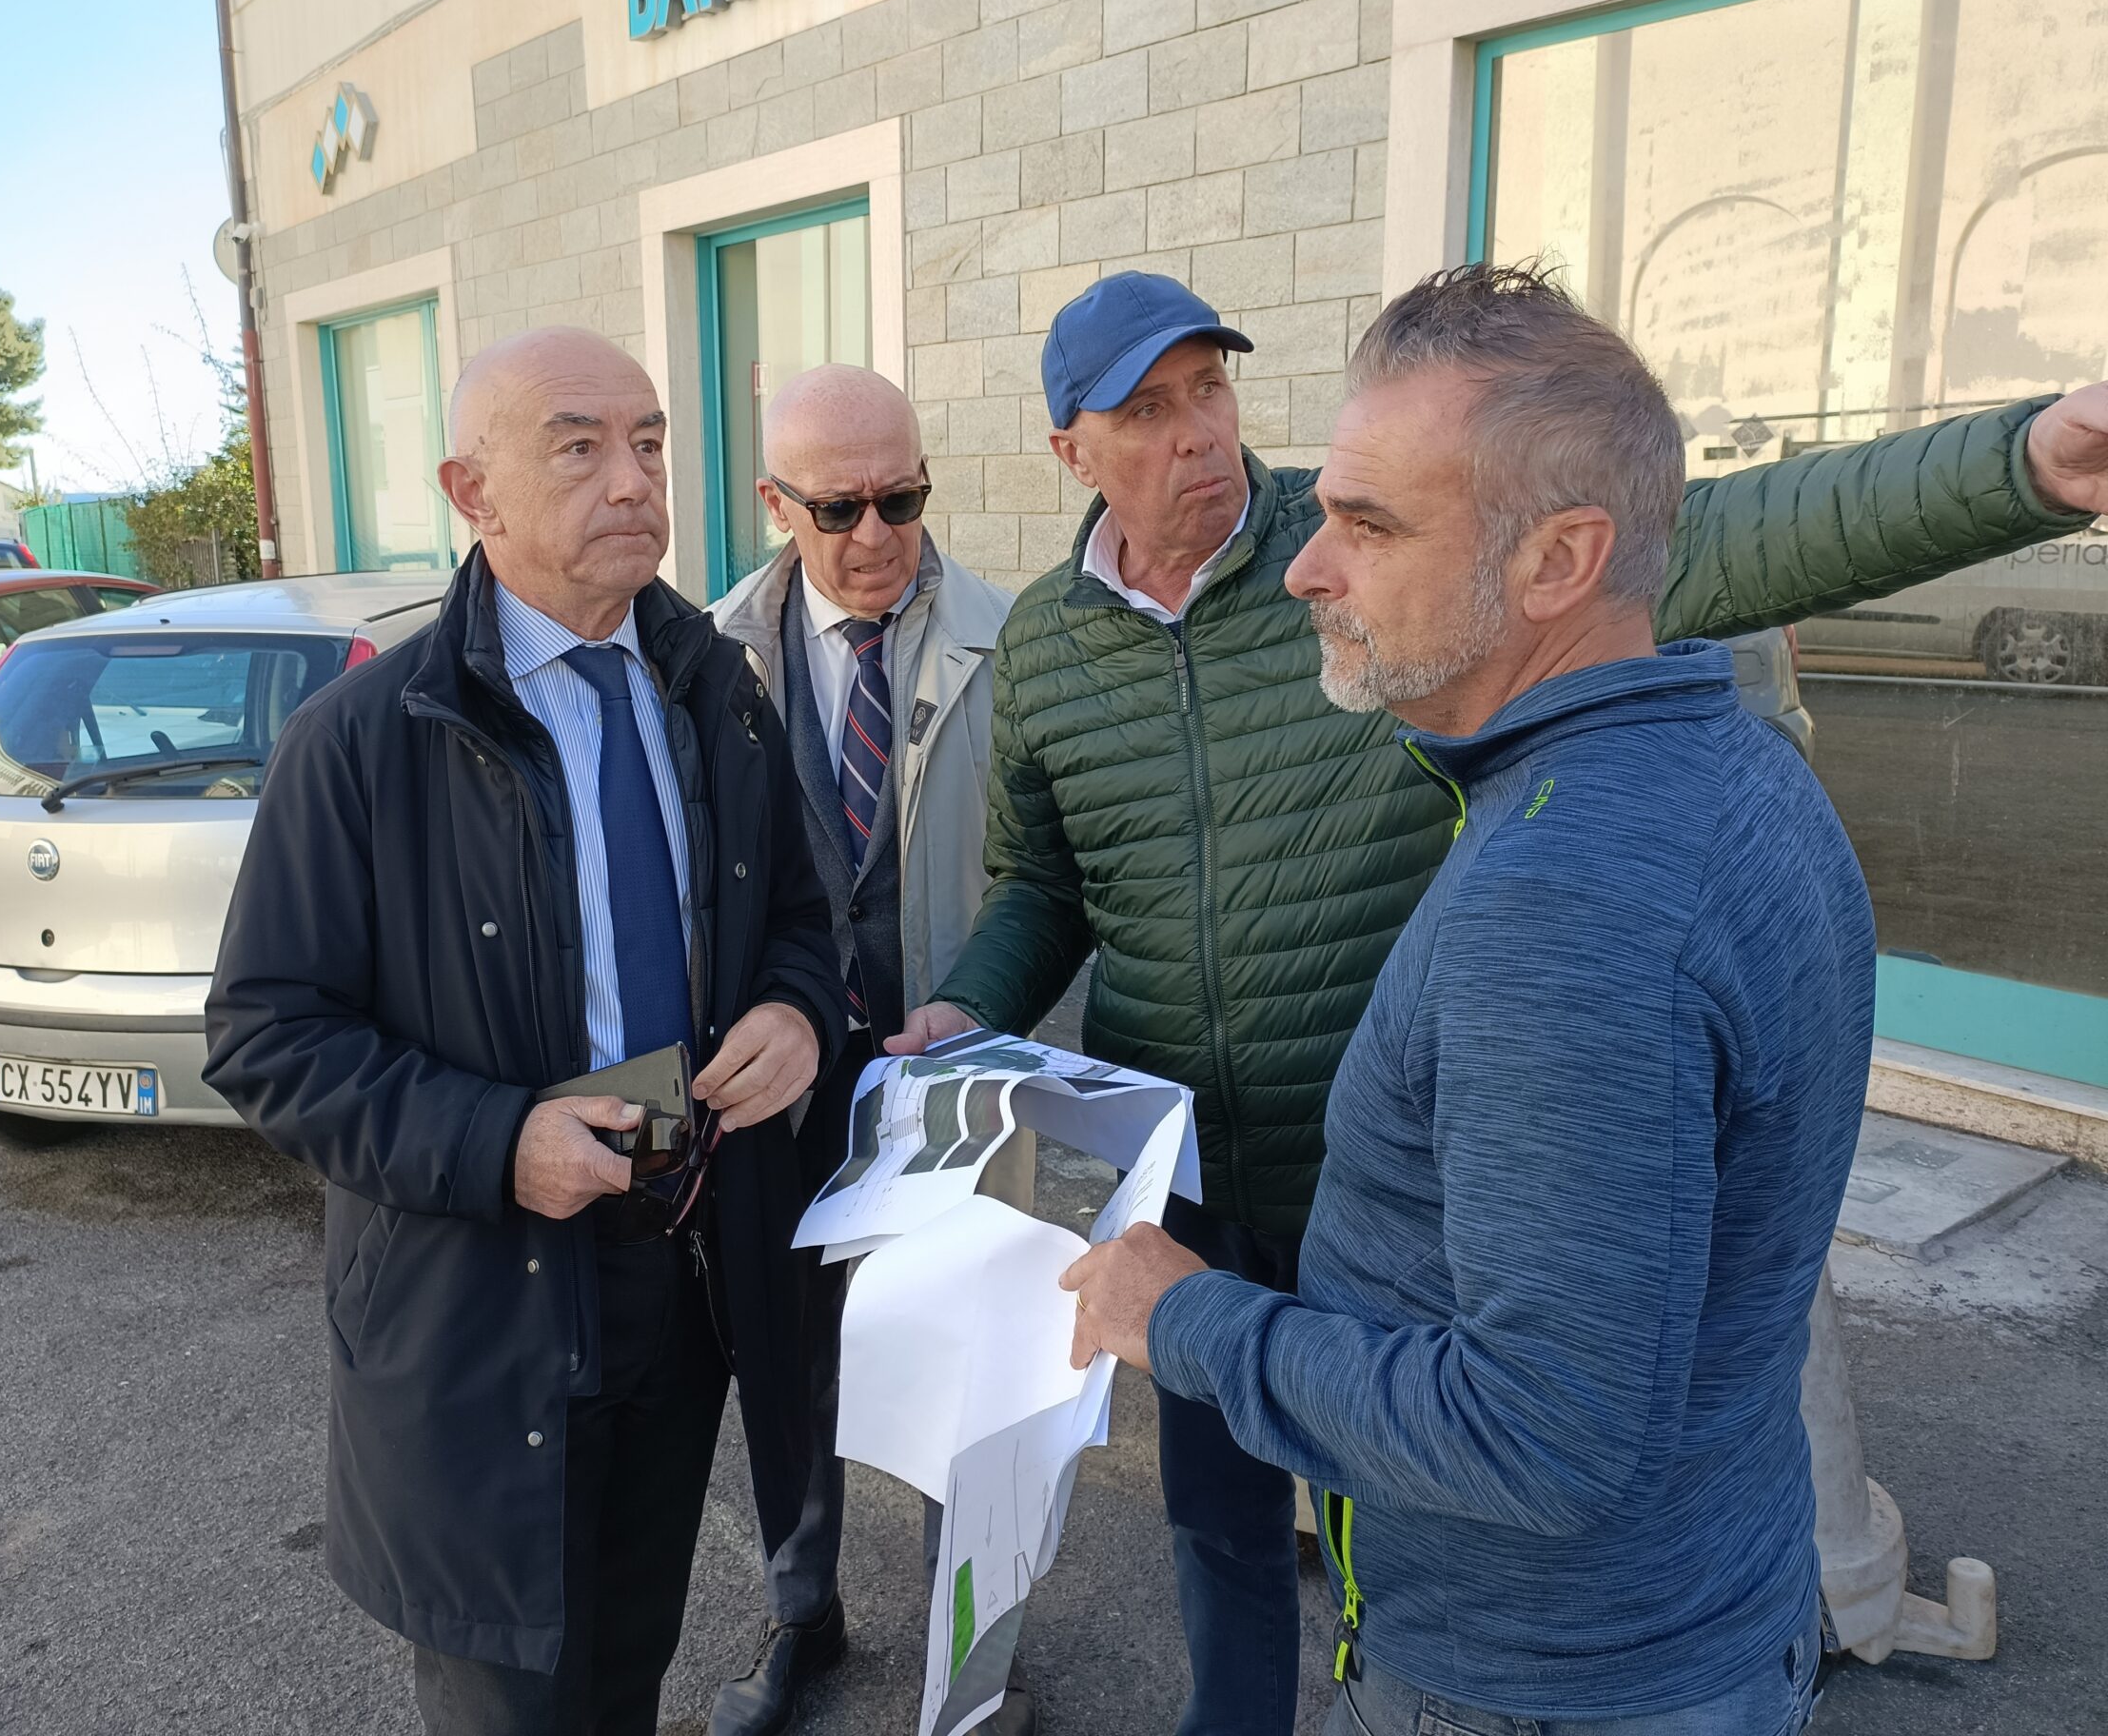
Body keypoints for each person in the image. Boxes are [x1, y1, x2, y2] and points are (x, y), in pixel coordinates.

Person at [887, 267, 2108, 1734]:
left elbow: (1726, 526)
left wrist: (2024, 464)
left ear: (1560, 562)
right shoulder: (1054, 644)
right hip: (1193, 1175)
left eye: (1209, 386)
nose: (1203, 434)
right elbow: (1042, 879)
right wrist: (969, 1006)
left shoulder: (1523, 796)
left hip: (1432, 1195)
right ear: (1071, 451)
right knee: (1227, 1522)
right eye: (1146, 409)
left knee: (1387, 1463)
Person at [1059, 261, 1873, 1730]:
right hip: (1702, 1610)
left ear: (1560, 561)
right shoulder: (1740, 767)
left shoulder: (1562, 904)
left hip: (1540, 1681)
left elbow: (1539, 1433)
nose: (1306, 568)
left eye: (1370, 527)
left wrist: (1182, 1318)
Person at [202, 326, 844, 1736]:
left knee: (629, 1669)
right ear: (471, 492)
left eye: (650, 443)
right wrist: (501, 1143)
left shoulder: (716, 693)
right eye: (577, 447)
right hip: (487, 1307)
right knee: (515, 1701)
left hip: (682, 1271)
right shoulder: (366, 740)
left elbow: (804, 917)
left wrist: (798, 1011)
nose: (632, 479)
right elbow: (266, 1036)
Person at [703, 364, 1032, 1736]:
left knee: (977, 1375)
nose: (878, 533)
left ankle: (978, 1656)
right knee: (786, 1365)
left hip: (953, 1067)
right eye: (839, 508)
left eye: (904, 497)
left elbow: (1046, 875)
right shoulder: (705, 659)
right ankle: (804, 1615)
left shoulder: (1013, 644)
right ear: (775, 504)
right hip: (779, 1084)